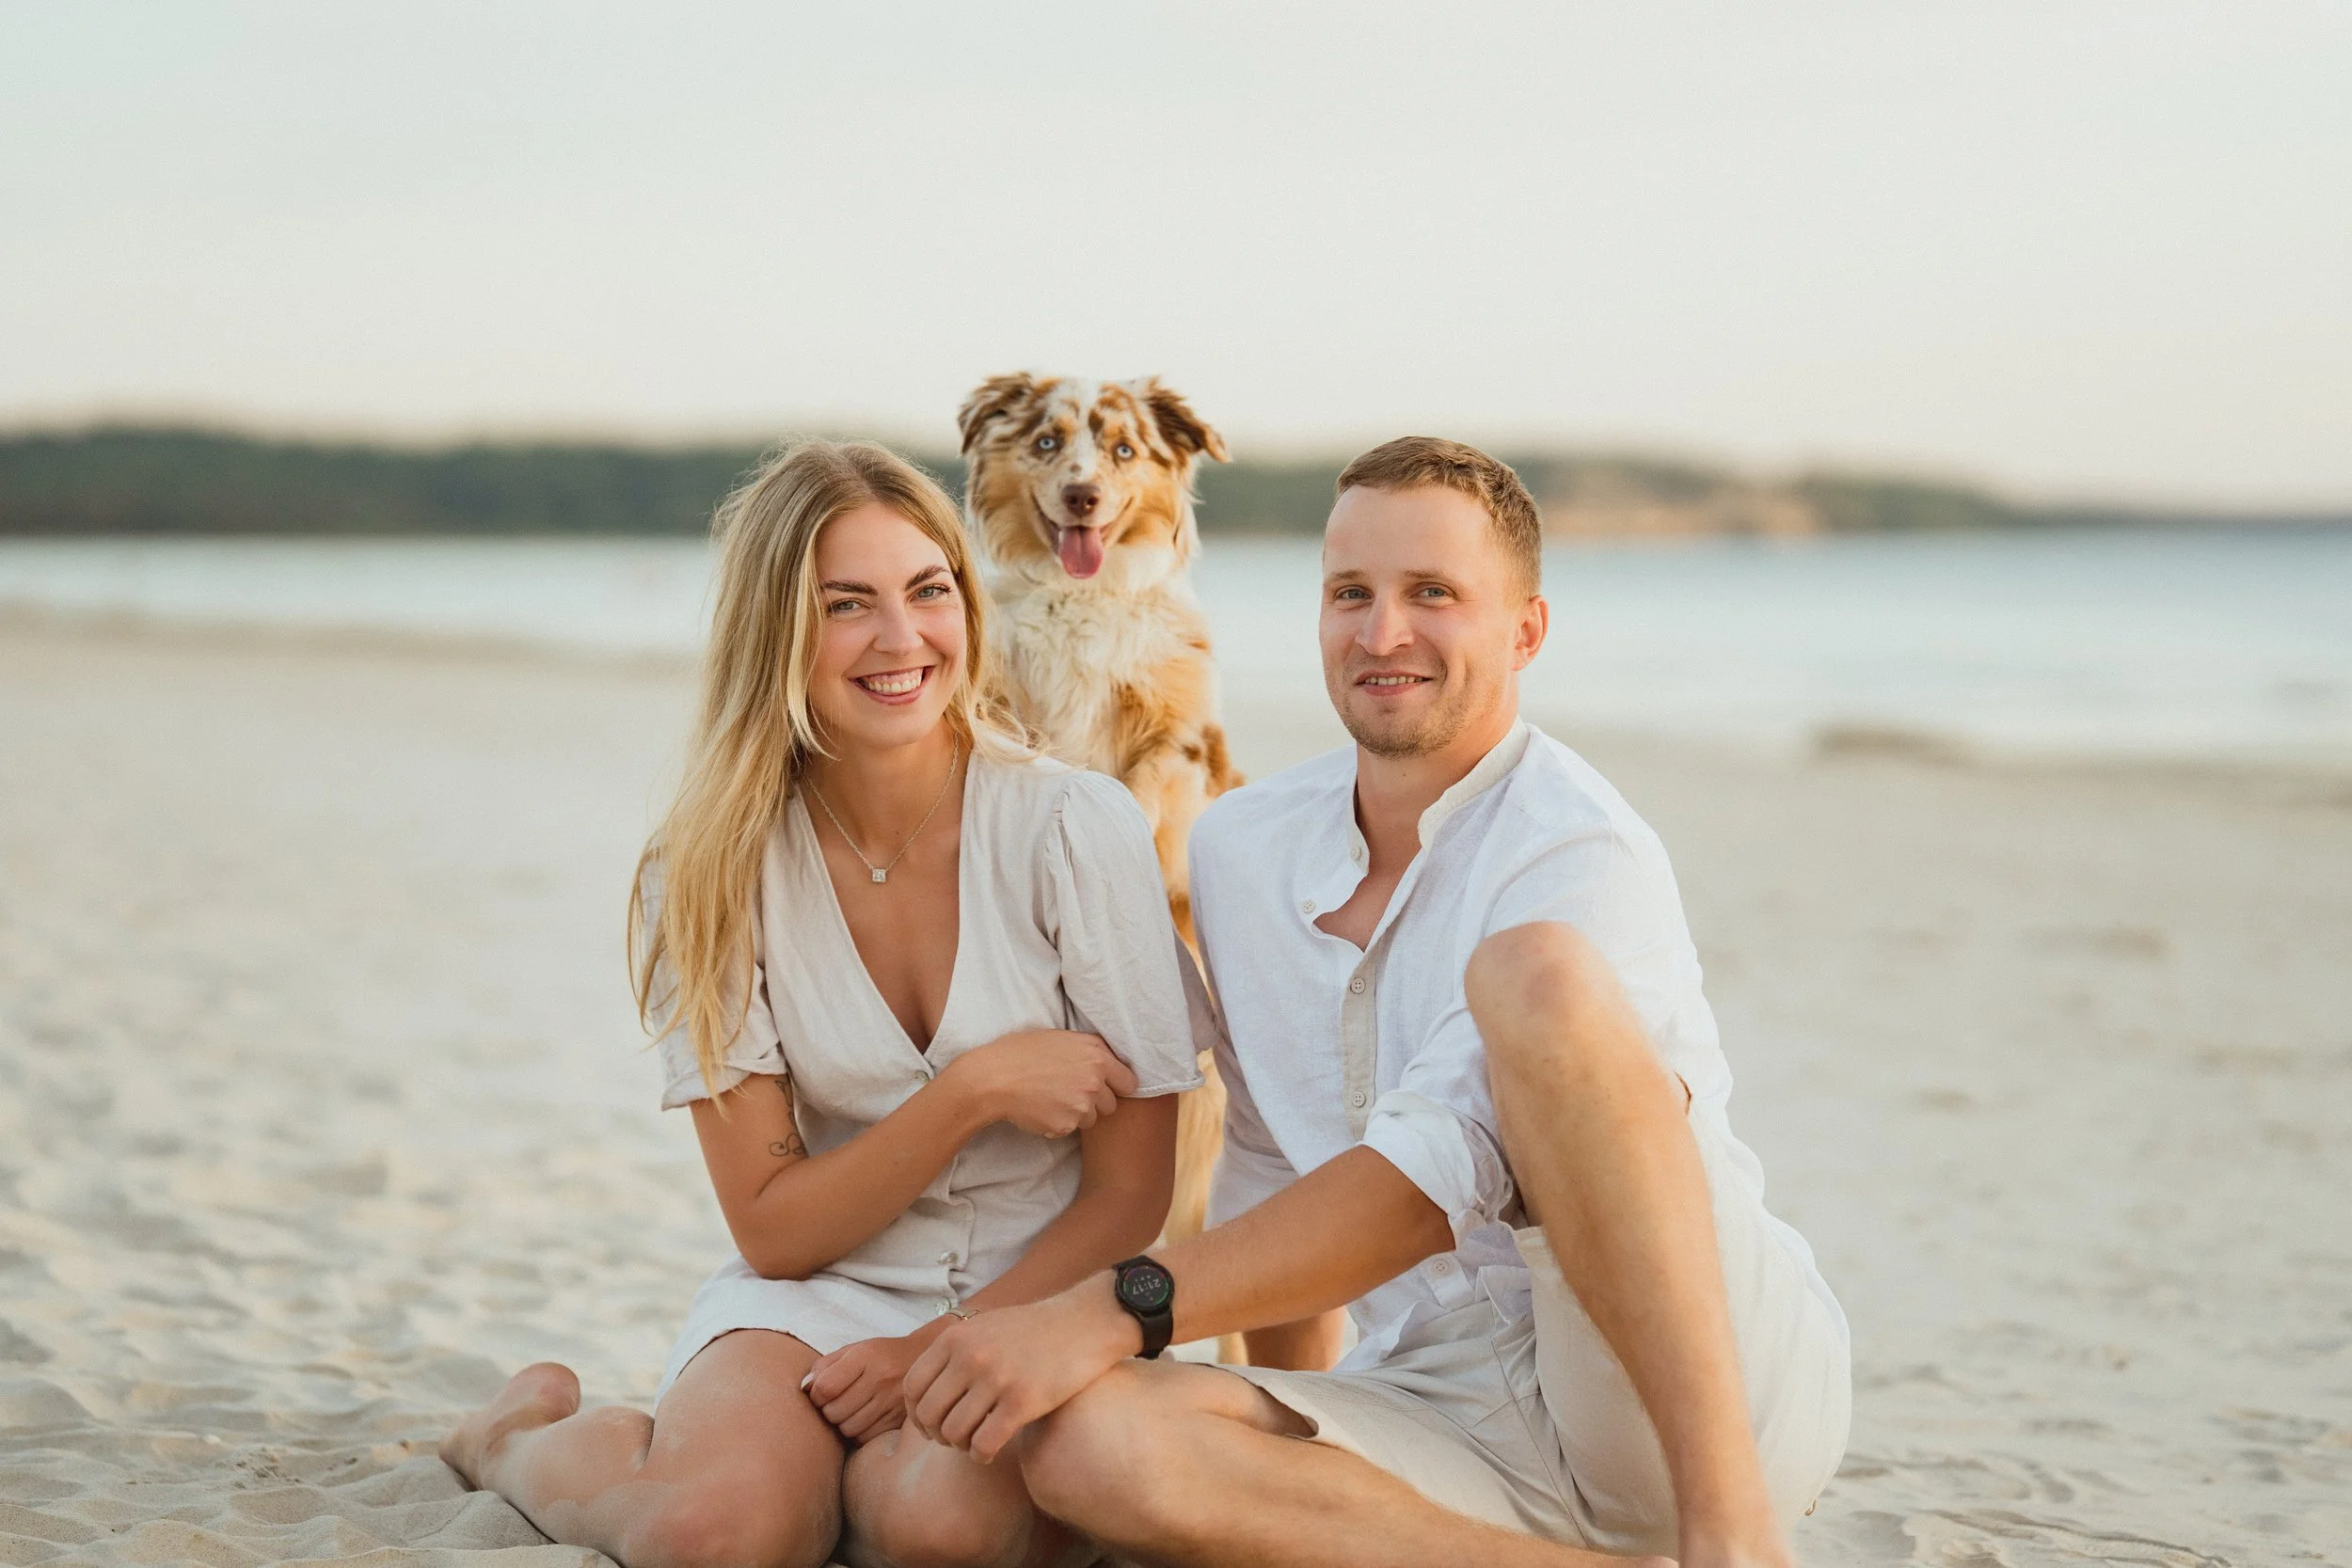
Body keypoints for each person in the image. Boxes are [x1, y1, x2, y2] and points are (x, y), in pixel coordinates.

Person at [896, 437, 1852, 1568]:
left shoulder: (1578, 844)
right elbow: (1270, 1173)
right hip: (1445, 1400)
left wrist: (1110, 1305)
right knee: (1088, 1442)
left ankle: (1735, 1543)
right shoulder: (1246, 847)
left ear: (1525, 631)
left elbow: (1426, 1184)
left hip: (1696, 1390)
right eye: (1351, 592)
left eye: (1432, 594)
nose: (1381, 632)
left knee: (1531, 975)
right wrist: (1281, 1449)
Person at [439, 439, 1205, 1568]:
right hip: (817, 1292)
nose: (902, 641)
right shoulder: (702, 871)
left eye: (927, 590)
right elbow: (773, 1225)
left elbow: (1135, 1191)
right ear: (776, 632)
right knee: (714, 1534)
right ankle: (511, 1441)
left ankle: (817, 1480)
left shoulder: (1072, 829)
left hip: (1041, 1294)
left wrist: (945, 1344)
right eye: (846, 604)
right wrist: (973, 1089)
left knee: (944, 1522)